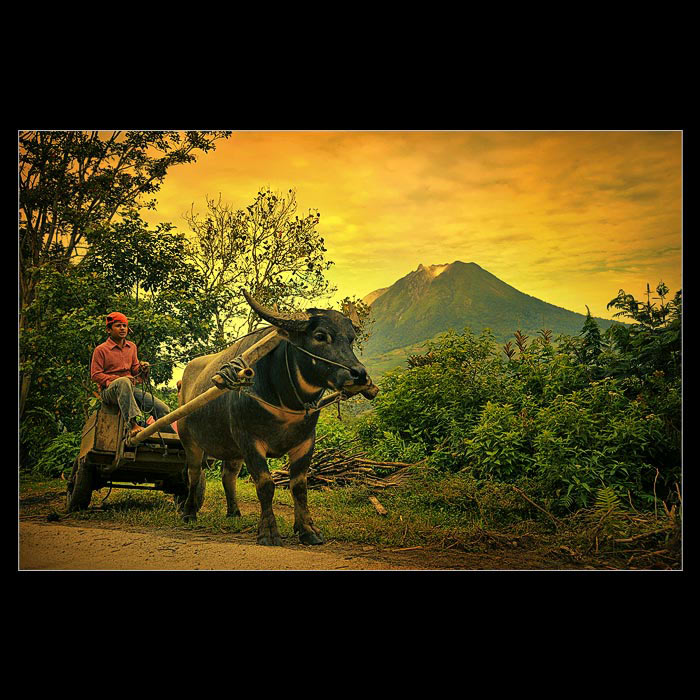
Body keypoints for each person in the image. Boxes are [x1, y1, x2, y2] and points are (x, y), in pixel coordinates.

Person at [90, 312, 174, 438]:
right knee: (123, 382)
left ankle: (172, 438)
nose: (122, 328)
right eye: (118, 326)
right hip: (109, 392)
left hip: (129, 388)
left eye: (124, 326)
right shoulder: (101, 350)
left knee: (162, 409)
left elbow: (135, 368)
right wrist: (118, 379)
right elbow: (95, 375)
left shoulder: (131, 347)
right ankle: (133, 424)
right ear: (109, 329)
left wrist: (142, 367)